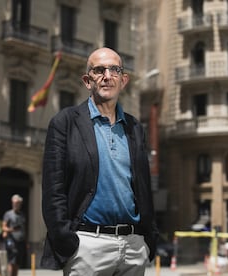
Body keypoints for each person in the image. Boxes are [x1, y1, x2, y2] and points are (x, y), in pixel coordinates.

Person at [41, 47, 159, 275]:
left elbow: (143, 188)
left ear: (123, 80)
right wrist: (68, 241)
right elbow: (52, 189)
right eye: (99, 70)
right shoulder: (65, 123)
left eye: (114, 70)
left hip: (133, 248)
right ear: (88, 80)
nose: (107, 75)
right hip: (87, 247)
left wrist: (147, 240)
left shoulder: (135, 128)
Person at [2, 194, 26, 276]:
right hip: (12, 241)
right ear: (12, 203)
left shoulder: (22, 215)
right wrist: (12, 230)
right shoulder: (8, 214)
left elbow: (23, 228)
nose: (16, 205)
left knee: (17, 263)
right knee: (12, 261)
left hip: (20, 242)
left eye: (18, 203)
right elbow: (4, 227)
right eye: (15, 203)